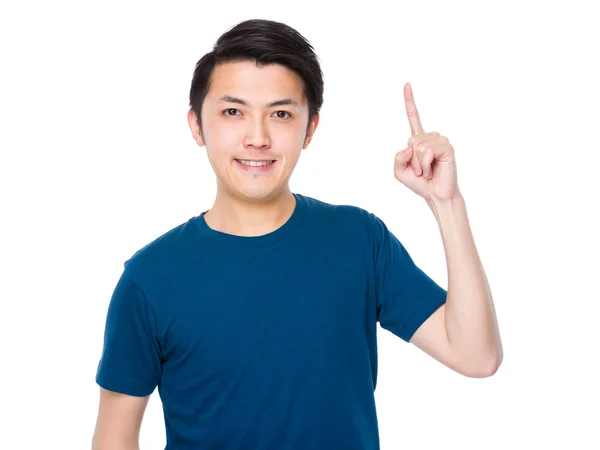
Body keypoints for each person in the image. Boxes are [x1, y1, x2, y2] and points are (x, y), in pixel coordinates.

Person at [91, 18, 502, 450]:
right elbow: (113, 441)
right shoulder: (149, 279)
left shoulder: (358, 240)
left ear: (310, 129)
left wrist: (446, 203)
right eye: (233, 111)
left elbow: (476, 355)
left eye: (281, 114)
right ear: (197, 125)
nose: (258, 137)